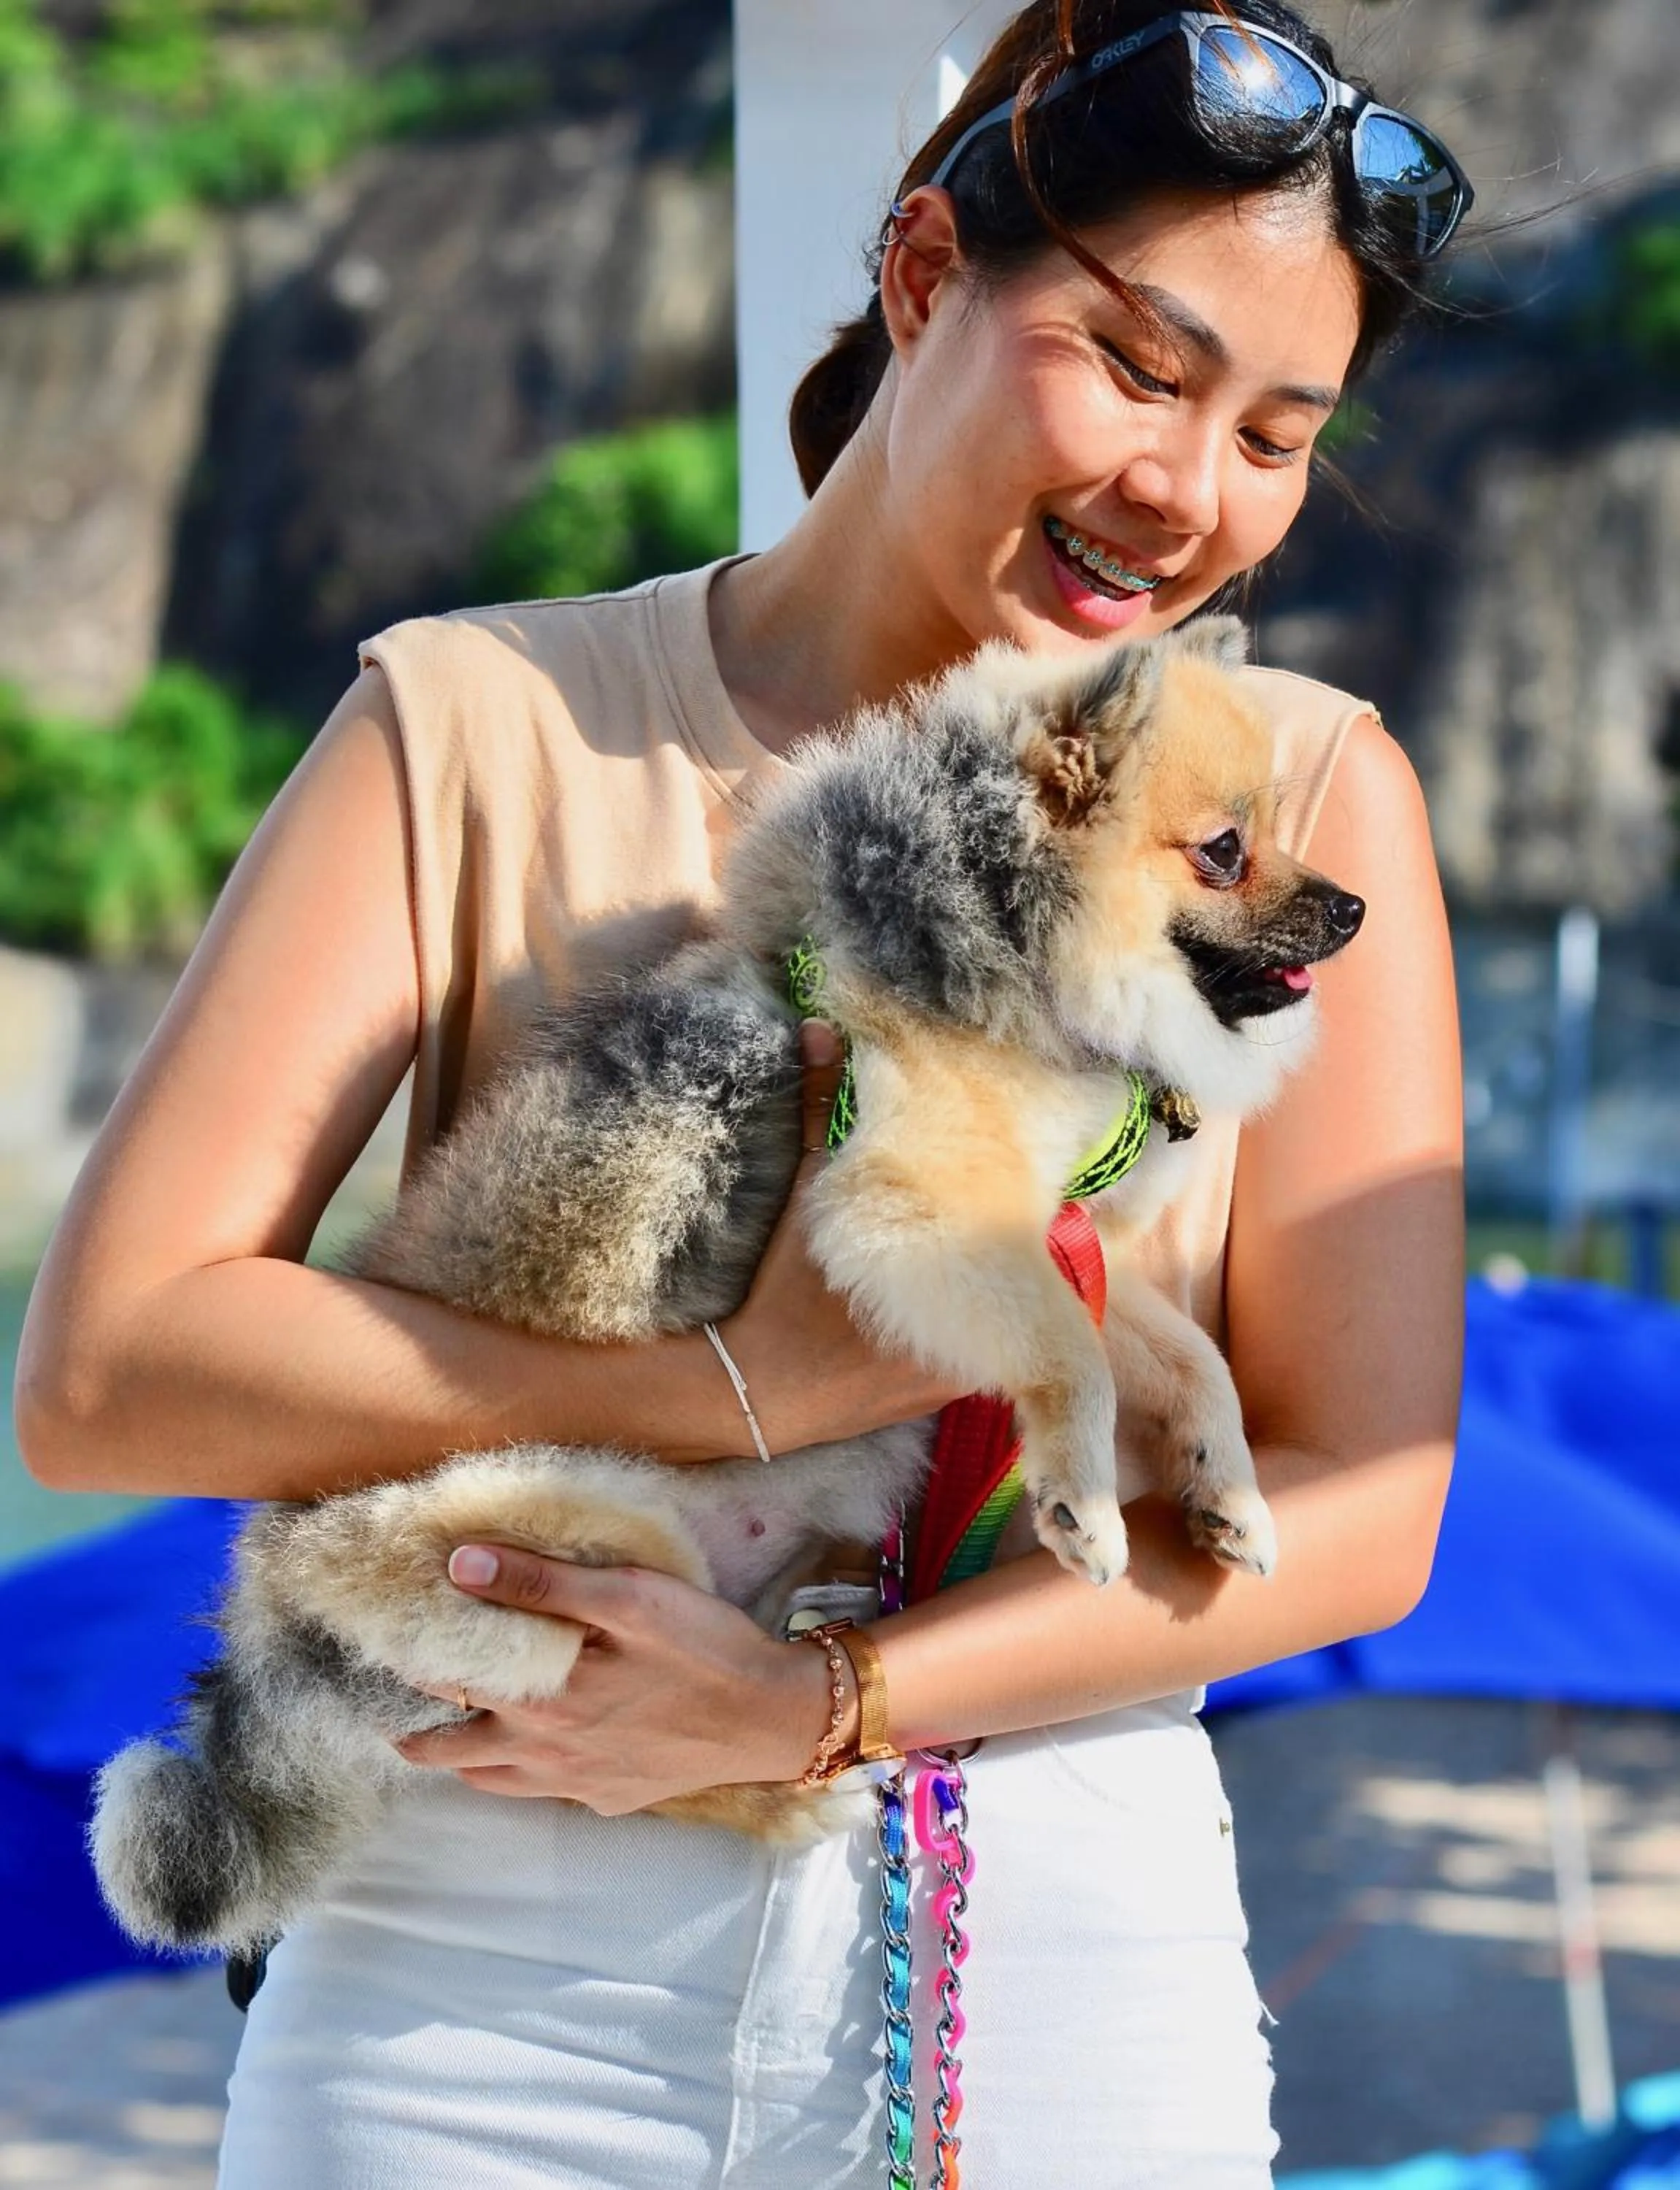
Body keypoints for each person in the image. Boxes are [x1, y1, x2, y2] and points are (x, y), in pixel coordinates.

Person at [17, 1, 1467, 2181]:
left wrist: (827, 1706)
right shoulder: (483, 721)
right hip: (468, 1975)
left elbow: (1369, 1494)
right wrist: (741, 1388)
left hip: (1048, 1952)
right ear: (916, 276)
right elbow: (113, 1374)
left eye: (1277, 432)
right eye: (1138, 365)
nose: (1186, 491)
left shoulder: (1300, 801)